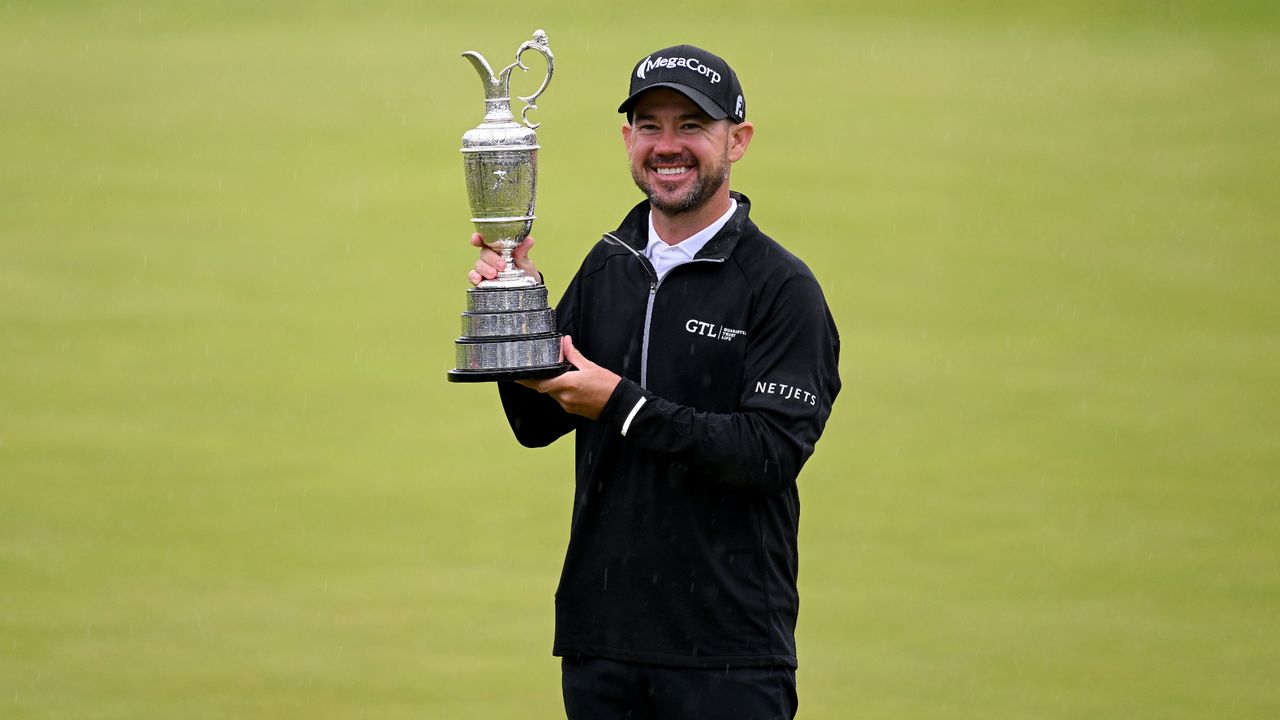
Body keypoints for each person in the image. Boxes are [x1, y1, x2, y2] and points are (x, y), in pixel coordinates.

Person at [468, 44, 841, 720]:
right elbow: (536, 424)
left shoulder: (781, 290)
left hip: (726, 654)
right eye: (650, 125)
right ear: (627, 139)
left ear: (738, 140)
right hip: (601, 644)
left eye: (691, 125)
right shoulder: (610, 264)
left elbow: (767, 454)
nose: (668, 146)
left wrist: (622, 404)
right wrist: (515, 314)